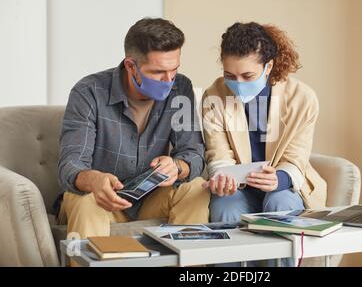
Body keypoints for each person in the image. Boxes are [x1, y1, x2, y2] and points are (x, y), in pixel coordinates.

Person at [56, 18, 209, 240]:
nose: (169, 80)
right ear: (131, 66)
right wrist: (95, 180)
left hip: (151, 199)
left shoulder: (180, 88)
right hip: (102, 203)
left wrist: (178, 166)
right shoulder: (88, 92)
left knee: (195, 188)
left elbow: (193, 152)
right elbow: (70, 164)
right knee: (87, 198)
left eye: (174, 69)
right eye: (157, 72)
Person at [201, 22, 327, 265]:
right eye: (229, 76)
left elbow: (295, 159)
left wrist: (278, 179)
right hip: (238, 189)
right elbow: (218, 154)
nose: (237, 83)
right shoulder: (214, 94)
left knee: (280, 203)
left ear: (268, 66)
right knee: (226, 206)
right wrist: (223, 177)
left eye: (247, 76)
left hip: (283, 186)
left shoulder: (302, 98)